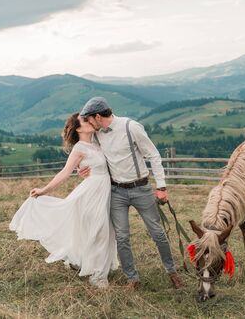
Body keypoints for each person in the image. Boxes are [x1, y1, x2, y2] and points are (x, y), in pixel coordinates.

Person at [79, 96, 184, 290]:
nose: (88, 123)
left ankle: (172, 272)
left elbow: (153, 155)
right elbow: (92, 157)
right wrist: (82, 168)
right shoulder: (97, 134)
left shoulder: (131, 127)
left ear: (97, 116)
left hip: (141, 188)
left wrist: (161, 187)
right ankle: (132, 278)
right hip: (116, 191)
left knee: (158, 233)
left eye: (89, 119)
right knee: (122, 237)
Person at [9, 113, 118, 288]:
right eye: (84, 120)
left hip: (105, 191)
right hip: (91, 194)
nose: (89, 121)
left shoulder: (97, 141)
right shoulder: (79, 149)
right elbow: (64, 173)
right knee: (99, 231)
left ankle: (89, 263)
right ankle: (98, 275)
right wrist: (44, 190)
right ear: (78, 128)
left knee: (106, 231)